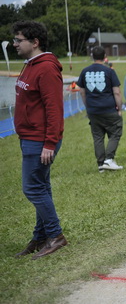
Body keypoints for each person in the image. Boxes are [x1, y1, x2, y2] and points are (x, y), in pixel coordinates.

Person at [11, 21, 67, 260]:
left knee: (32, 188)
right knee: (42, 187)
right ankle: (40, 236)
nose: (14, 44)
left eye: (18, 40)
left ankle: (55, 236)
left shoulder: (45, 69)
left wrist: (49, 143)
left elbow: (54, 109)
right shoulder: (30, 66)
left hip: (40, 139)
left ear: (34, 42)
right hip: (30, 137)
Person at [78, 46, 123, 172]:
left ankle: (100, 165)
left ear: (92, 56)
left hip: (93, 110)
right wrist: (119, 108)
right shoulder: (109, 71)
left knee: (98, 137)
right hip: (109, 108)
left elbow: (82, 92)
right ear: (105, 56)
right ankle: (109, 159)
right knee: (115, 133)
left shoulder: (84, 71)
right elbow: (117, 92)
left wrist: (88, 107)